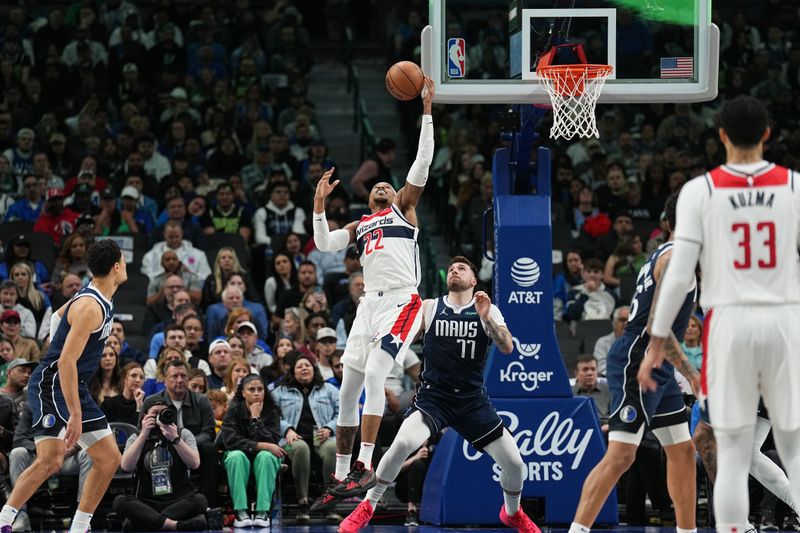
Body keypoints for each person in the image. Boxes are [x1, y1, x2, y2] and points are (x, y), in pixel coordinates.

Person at [643, 95, 800, 533]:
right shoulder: (794, 187)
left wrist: (657, 339)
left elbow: (675, 281)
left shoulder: (701, 191)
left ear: (722, 136)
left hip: (731, 330)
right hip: (784, 327)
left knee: (730, 456)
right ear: (767, 135)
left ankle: (738, 529)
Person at [337, 256, 538, 533]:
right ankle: (367, 507)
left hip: (472, 401)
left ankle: (512, 512)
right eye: (452, 268)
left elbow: (506, 347)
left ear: (473, 280)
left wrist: (486, 318)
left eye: (462, 268)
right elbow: (403, 335)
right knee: (401, 445)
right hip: (434, 398)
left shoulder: (487, 308)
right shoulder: (430, 307)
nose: (455, 271)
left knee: (515, 465)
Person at [310, 77, 435, 503]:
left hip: (402, 299)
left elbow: (421, 163)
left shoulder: (405, 208)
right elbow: (325, 244)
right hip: (368, 306)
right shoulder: (360, 225)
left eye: (388, 183)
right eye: (377, 186)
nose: (382, 185)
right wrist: (319, 205)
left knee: (379, 376)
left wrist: (427, 111)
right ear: (369, 198)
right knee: (348, 388)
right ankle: (342, 474)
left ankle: (364, 464)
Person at [569, 193, 699, 533]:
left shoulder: (673, 256)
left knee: (682, 451)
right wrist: (693, 373)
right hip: (638, 357)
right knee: (622, 456)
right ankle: (577, 530)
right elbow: (658, 325)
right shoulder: (675, 259)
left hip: (658, 361)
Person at [0, 239, 127, 533]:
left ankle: (79, 528)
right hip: (53, 383)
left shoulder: (100, 295)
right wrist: (76, 413)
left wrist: (56, 345)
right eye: (124, 261)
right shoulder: (89, 307)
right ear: (116, 267)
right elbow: (66, 363)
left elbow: (58, 317)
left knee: (109, 458)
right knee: (51, 459)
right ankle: (4, 520)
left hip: (73, 384)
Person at [112, 399, 207, 531]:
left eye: (163, 413)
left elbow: (195, 464)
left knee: (200, 500)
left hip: (179, 500)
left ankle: (147, 522)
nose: (159, 418)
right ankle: (173, 525)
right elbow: (126, 466)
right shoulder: (136, 437)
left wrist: (175, 439)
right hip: (147, 502)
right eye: (154, 413)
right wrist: (143, 434)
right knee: (120, 501)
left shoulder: (183, 434)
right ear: (145, 417)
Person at [271, 353, 339, 522]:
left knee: (332, 448)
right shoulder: (279, 392)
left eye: (307, 365)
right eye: (299, 366)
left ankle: (329, 502)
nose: (304, 368)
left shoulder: (329, 390)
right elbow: (271, 417)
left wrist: (329, 428)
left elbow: (343, 414)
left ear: (314, 369)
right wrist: (287, 429)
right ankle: (302, 502)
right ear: (292, 372)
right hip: (288, 442)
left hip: (319, 438)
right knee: (300, 447)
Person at [141, 360, 218, 507]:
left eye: (183, 376)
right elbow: (143, 430)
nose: (180, 380)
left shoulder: (201, 401)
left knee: (210, 449)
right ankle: (149, 502)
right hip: (161, 449)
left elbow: (209, 433)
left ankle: (208, 504)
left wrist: (184, 443)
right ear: (164, 380)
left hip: (193, 448)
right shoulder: (152, 402)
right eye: (175, 376)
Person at [220, 374, 283, 528]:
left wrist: (256, 419)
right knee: (236, 456)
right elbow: (231, 441)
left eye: (260, 389)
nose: (256, 393)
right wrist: (263, 445)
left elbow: (273, 440)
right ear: (243, 393)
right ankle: (241, 512)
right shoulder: (233, 411)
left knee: (266, 457)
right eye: (251, 389)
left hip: (265, 458)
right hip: (239, 456)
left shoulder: (272, 411)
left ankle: (263, 511)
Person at [571, 355, 610, 431]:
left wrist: (610, 426)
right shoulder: (569, 393)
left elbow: (617, 416)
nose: (590, 373)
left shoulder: (608, 390)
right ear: (576, 374)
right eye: (585, 369)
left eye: (593, 369)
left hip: (605, 433)